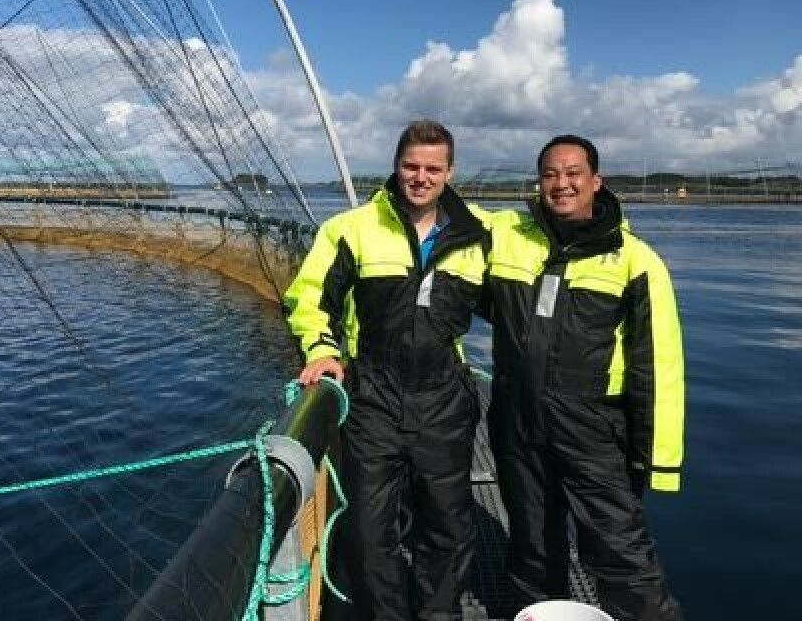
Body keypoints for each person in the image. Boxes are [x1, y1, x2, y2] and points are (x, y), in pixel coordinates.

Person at [284, 119, 490, 620]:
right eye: (411, 166)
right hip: (372, 399)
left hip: (444, 401)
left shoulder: (480, 232)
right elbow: (310, 299)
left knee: (447, 523)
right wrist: (321, 350)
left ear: (450, 172)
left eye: (433, 168)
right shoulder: (350, 229)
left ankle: (439, 614)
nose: (421, 177)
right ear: (396, 166)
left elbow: (542, 252)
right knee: (368, 531)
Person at [484, 134, 685, 620]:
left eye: (573, 173)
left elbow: (659, 366)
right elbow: (437, 207)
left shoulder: (635, 260)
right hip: (517, 422)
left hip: (592, 428)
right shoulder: (508, 237)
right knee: (532, 544)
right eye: (550, 174)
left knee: (620, 551)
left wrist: (657, 461)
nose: (562, 184)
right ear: (538, 182)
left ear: (596, 181)